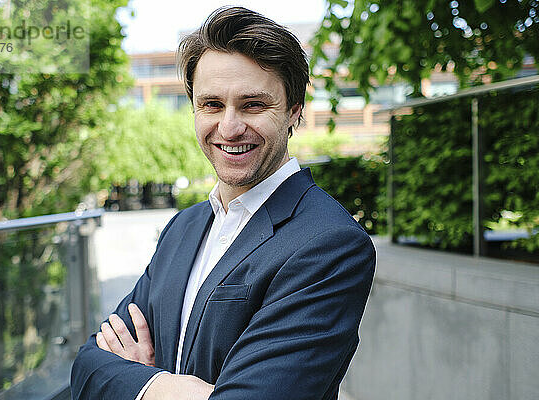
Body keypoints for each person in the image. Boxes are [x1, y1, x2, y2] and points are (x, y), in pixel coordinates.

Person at [71, 6, 375, 400]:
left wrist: (139, 384)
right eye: (212, 104)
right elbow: (87, 366)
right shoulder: (183, 227)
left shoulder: (329, 243)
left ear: (293, 113)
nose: (229, 127)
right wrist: (170, 388)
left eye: (253, 105)